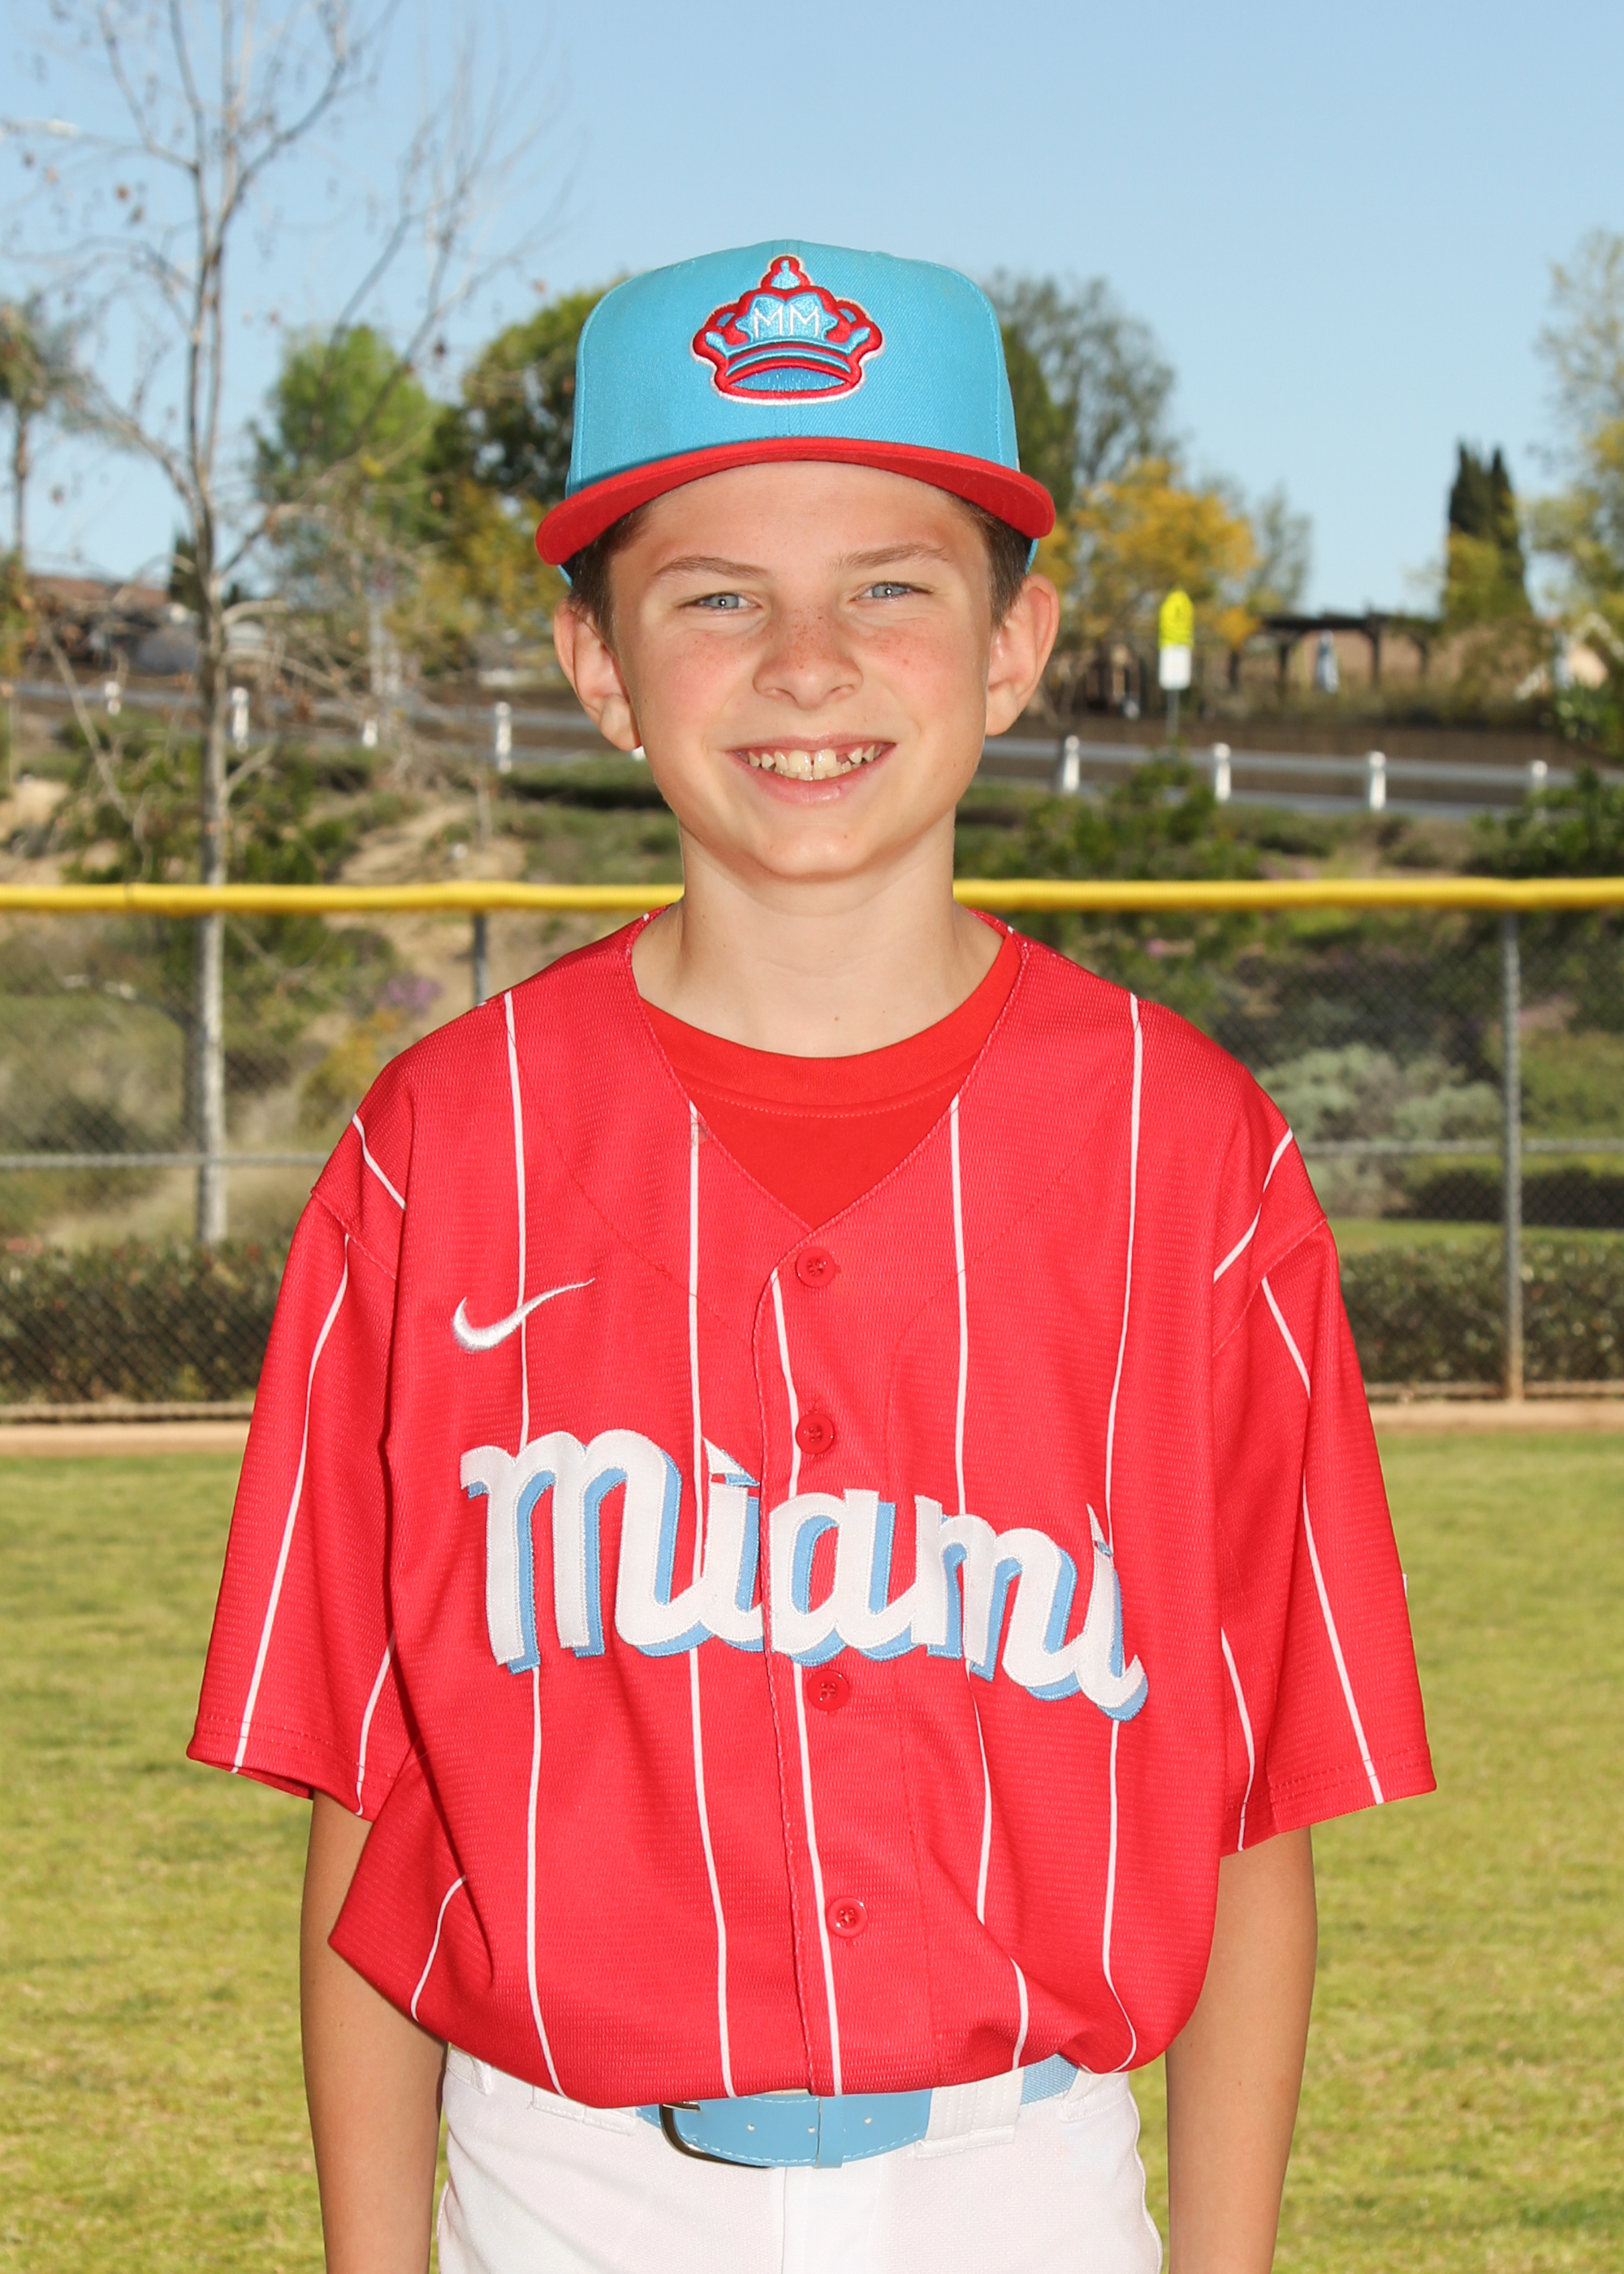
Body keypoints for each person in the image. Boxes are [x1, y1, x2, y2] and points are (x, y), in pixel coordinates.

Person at [190, 242, 1433, 2274]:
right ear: (597, 661)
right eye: (713, 597)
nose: (804, 662)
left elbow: (1246, 1811)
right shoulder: (437, 1150)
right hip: (561, 2185)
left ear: (1014, 641)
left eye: (887, 587)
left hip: (1023, 2183)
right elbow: (366, 1804)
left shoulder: (1192, 1152)